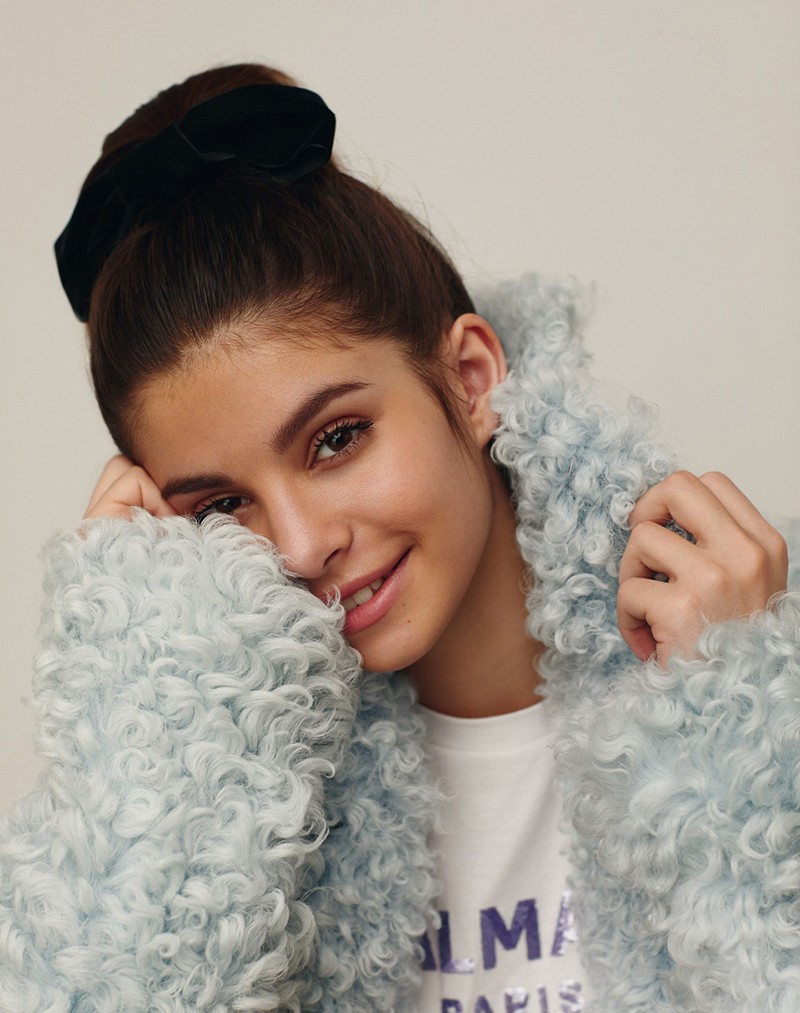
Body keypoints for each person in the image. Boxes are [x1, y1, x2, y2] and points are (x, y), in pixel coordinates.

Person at [0, 63, 797, 1013]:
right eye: (220, 506)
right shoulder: (252, 806)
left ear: (470, 379)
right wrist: (153, 735)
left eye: (336, 439)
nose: (300, 546)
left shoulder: (743, 682)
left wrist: (743, 725)